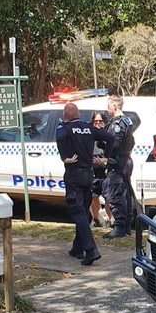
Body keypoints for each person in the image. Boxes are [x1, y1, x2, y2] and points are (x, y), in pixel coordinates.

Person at [56, 102, 113, 265]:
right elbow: (110, 138)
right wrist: (105, 157)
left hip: (74, 174)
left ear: (65, 115)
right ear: (78, 114)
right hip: (89, 174)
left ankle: (91, 250)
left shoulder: (64, 128)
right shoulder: (89, 128)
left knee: (77, 211)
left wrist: (64, 157)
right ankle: (77, 248)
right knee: (83, 211)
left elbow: (60, 139)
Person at [101, 94, 135, 239]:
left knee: (116, 195)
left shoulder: (116, 125)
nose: (107, 110)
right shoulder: (127, 121)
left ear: (114, 106)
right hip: (125, 161)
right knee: (125, 194)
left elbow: (113, 144)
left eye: (109, 106)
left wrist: (106, 154)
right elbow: (131, 142)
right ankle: (126, 225)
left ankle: (120, 227)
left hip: (117, 163)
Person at [89, 111, 113, 228]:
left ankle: (109, 220)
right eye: (95, 121)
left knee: (108, 198)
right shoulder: (89, 135)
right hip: (93, 172)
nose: (98, 124)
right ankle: (96, 219)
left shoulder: (109, 135)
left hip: (105, 172)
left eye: (100, 121)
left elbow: (114, 154)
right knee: (93, 197)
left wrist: (105, 161)